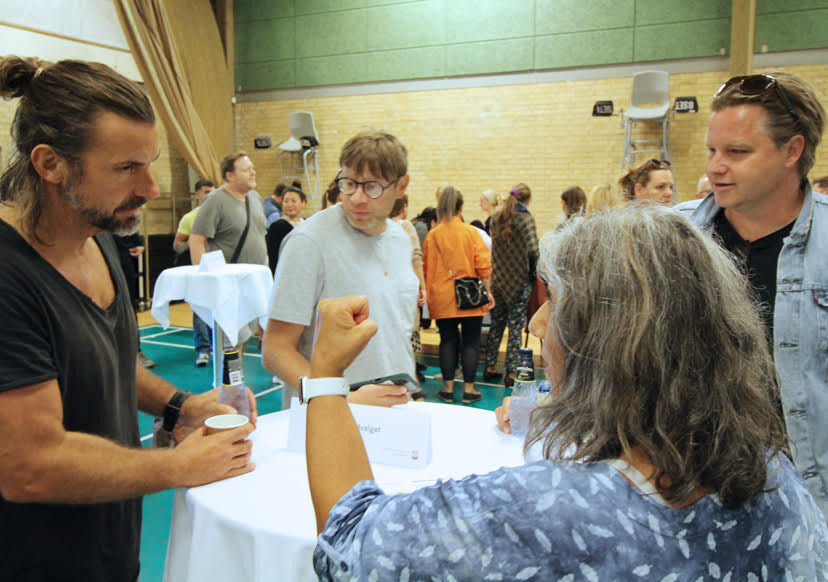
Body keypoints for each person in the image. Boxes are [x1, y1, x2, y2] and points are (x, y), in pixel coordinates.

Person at [304, 205, 828, 581]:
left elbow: (352, 546)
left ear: (608, 339)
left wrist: (326, 375)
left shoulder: (546, 509)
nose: (536, 322)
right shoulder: (774, 476)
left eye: (555, 305)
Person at [0, 56, 255, 581]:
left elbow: (108, 361)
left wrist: (179, 406)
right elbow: (29, 466)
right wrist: (175, 468)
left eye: (150, 162)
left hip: (107, 550)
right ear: (50, 164)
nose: (151, 188)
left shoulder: (97, 235)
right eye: (125, 169)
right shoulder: (8, 277)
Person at [675, 72, 827, 518]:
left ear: (792, 151)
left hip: (806, 503)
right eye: (712, 151)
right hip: (695, 494)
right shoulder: (672, 235)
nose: (714, 167)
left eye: (737, 152)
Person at [262, 130, 418, 409]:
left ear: (401, 185)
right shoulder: (308, 242)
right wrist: (338, 398)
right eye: (348, 183)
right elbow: (276, 350)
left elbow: (396, 334)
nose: (357, 198)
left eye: (372, 187)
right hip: (329, 416)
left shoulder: (400, 239)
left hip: (394, 411)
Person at [423, 186, 494, 403]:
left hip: (443, 296)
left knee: (447, 341)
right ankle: (469, 390)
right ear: (460, 207)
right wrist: (488, 292)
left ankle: (447, 388)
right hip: (470, 296)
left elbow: (427, 268)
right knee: (471, 342)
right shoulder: (471, 233)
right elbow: (483, 266)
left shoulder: (432, 235)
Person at [190, 151, 268, 346]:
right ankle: (228, 377)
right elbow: (196, 240)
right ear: (230, 176)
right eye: (246, 170)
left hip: (253, 282)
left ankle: (235, 377)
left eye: (252, 169)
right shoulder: (215, 200)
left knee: (247, 335)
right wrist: (206, 280)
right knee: (232, 340)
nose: (253, 173)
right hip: (229, 285)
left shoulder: (255, 198)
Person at [483, 185, 539, 387]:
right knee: (515, 327)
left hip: (498, 280)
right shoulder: (526, 219)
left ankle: (489, 367)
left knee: (496, 325)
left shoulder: (497, 218)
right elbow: (533, 250)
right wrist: (534, 274)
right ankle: (512, 373)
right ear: (528, 200)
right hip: (519, 282)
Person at [173, 178, 215, 366]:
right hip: (197, 271)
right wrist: (195, 243)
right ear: (197, 195)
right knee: (199, 310)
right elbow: (177, 244)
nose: (209, 195)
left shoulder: (219, 215)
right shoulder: (190, 218)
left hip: (216, 270)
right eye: (206, 192)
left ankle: (218, 346)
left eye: (212, 191)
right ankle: (203, 350)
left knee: (218, 309)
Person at [113, 232, 156, 368]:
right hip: (96, 267)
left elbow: (134, 236)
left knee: (128, 311)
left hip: (124, 266)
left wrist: (139, 244)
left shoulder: (118, 217)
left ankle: (135, 352)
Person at [266, 185, 307, 274]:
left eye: (293, 201)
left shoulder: (308, 225)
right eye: (286, 201)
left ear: (303, 202)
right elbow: (273, 258)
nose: (289, 205)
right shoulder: (276, 227)